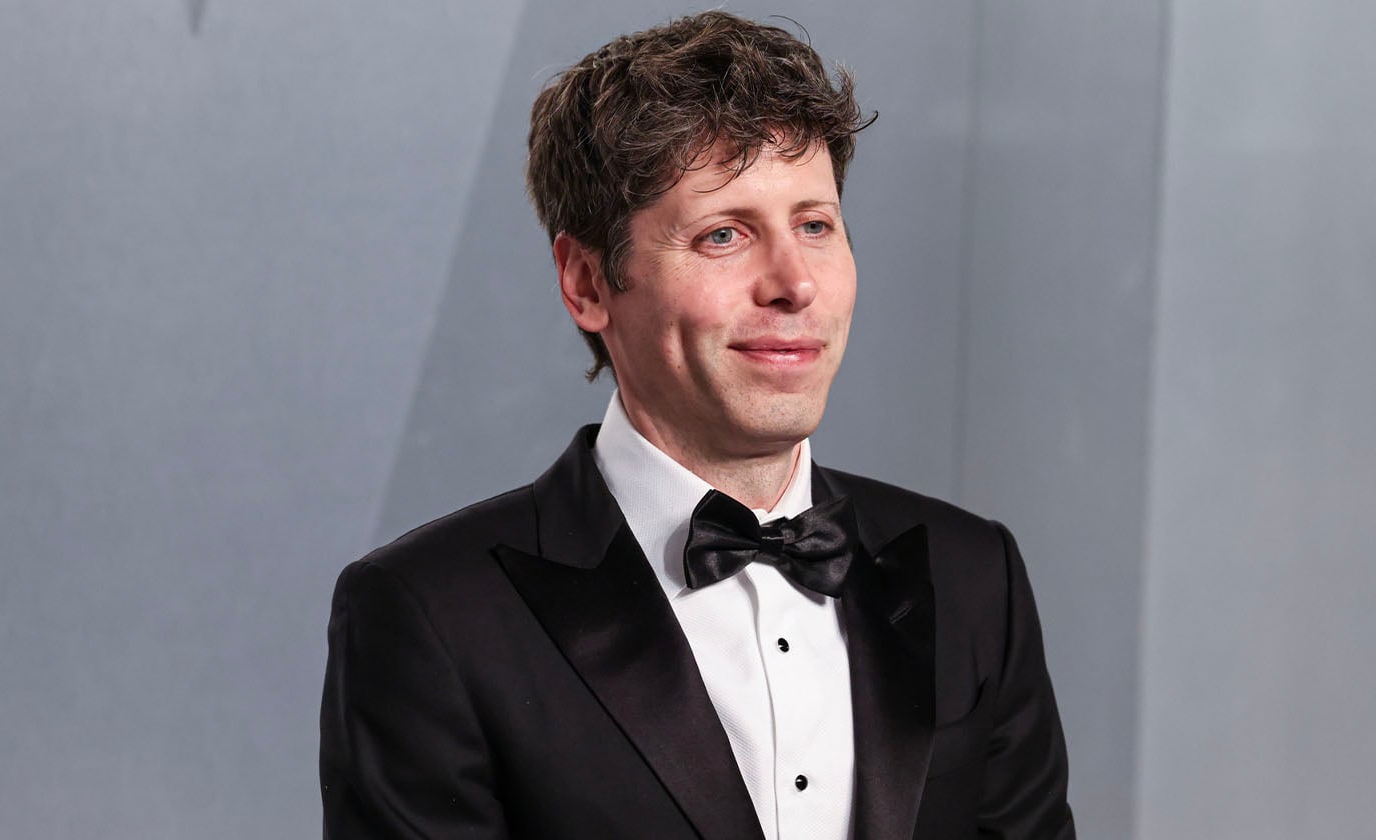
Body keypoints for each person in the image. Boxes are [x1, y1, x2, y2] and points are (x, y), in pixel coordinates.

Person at [320, 11, 1074, 839]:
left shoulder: (975, 576)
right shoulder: (431, 614)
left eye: (815, 226)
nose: (795, 284)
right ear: (588, 284)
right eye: (725, 234)